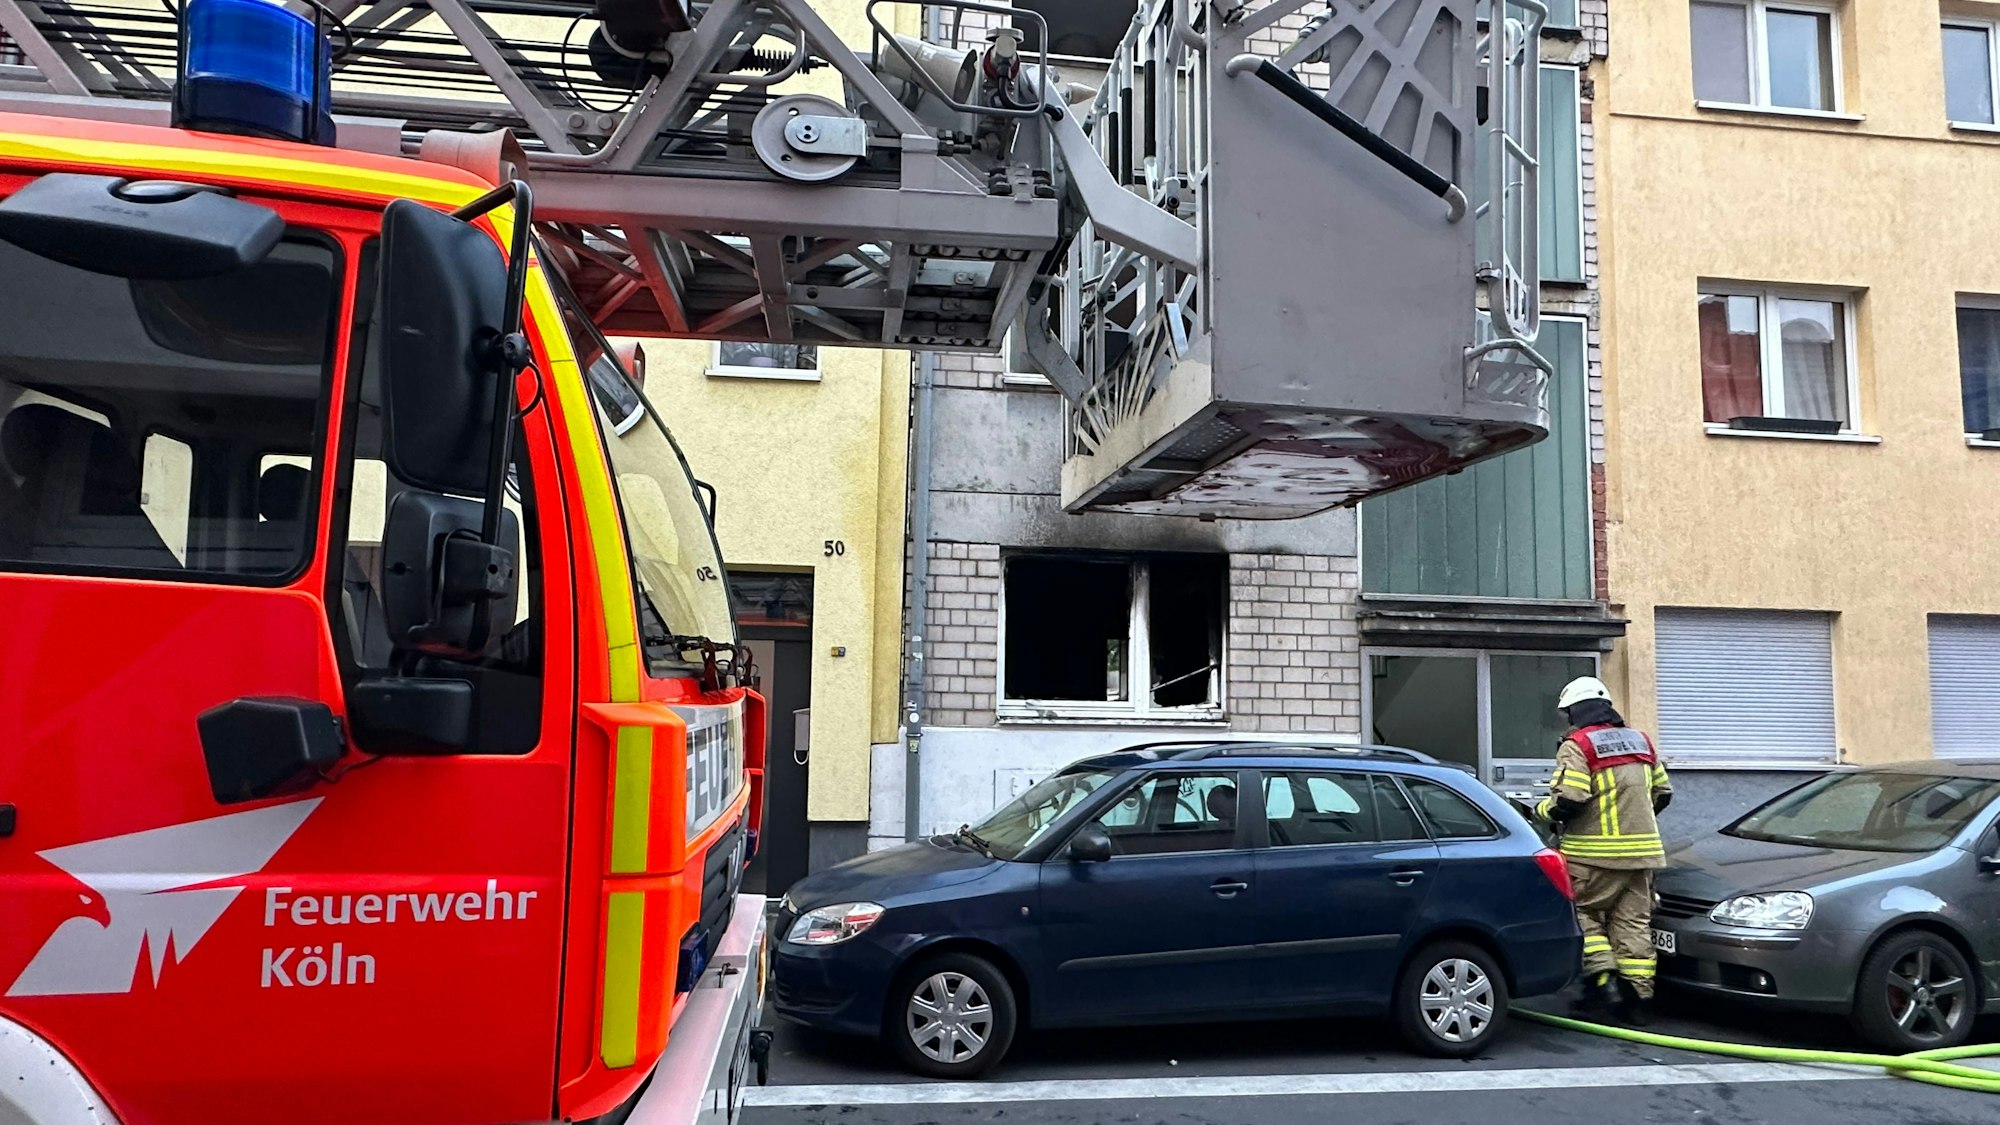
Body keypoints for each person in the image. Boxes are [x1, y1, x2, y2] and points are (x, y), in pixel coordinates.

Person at [1535, 676, 1672, 1024]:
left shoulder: (1578, 744)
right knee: (1633, 926)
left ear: (1574, 712)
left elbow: (1571, 799)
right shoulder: (1641, 741)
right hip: (1641, 857)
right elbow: (1663, 793)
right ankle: (1638, 1003)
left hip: (1590, 857)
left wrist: (1539, 812)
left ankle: (1602, 983)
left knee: (1582, 915)